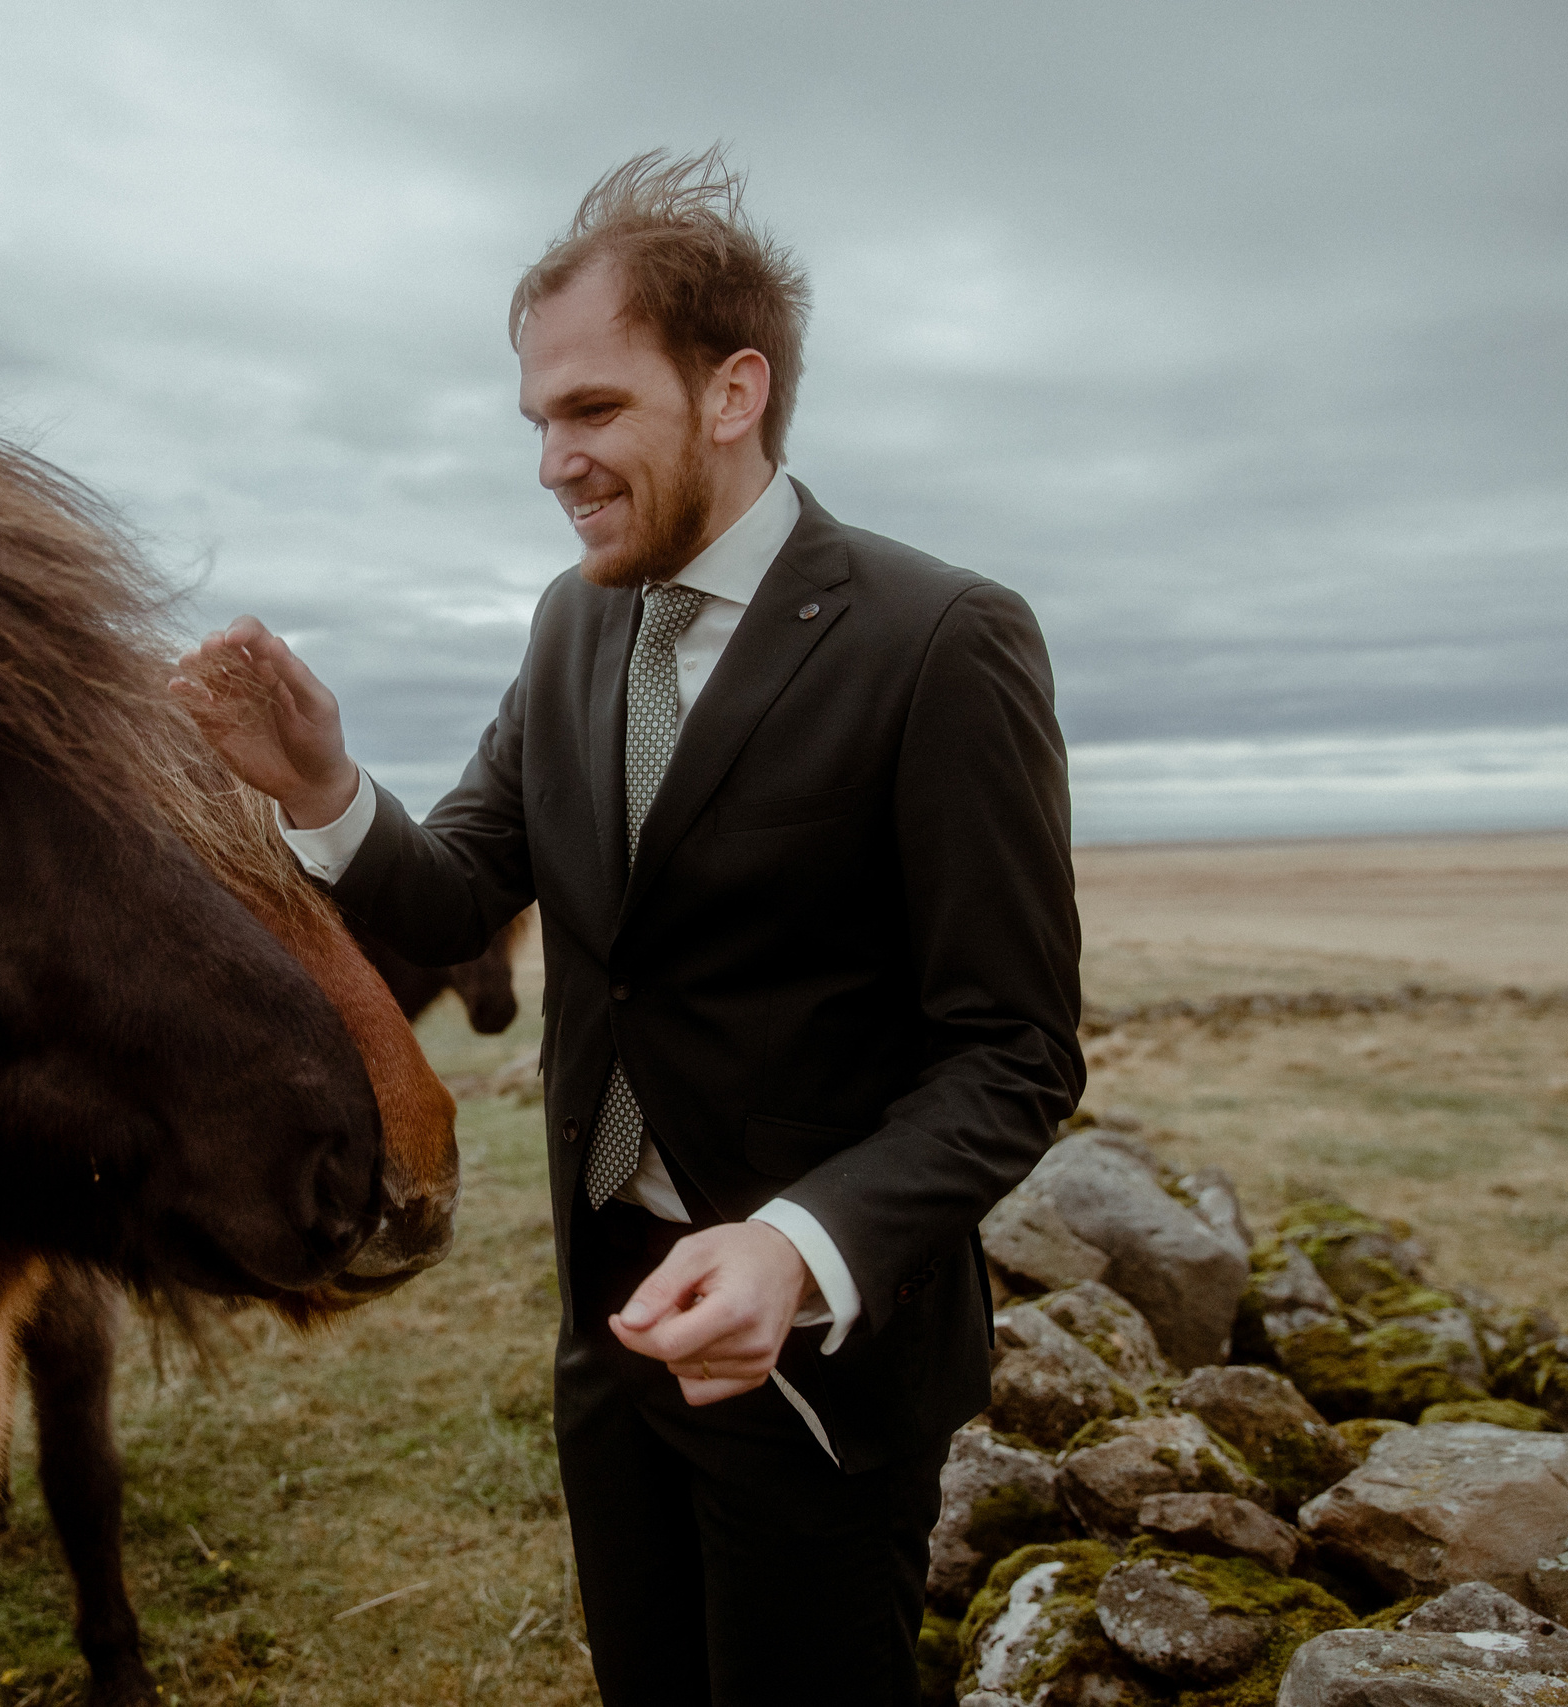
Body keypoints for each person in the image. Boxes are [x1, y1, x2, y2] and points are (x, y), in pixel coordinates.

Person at [172, 148, 1083, 1706]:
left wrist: (800, 1252)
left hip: (818, 1370)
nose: (553, 464)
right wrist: (323, 785)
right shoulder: (573, 618)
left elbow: (1013, 1053)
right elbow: (464, 892)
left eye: (591, 412)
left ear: (734, 392)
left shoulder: (941, 641)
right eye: (538, 422)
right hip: (610, 1327)